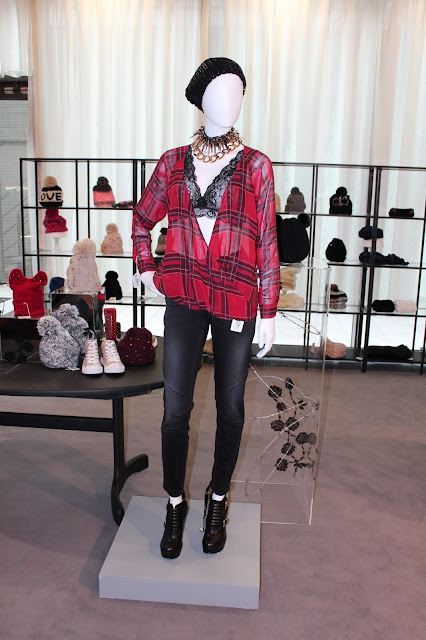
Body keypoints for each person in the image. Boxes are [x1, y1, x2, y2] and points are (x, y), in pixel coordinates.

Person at [132, 57, 280, 559]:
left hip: (236, 300)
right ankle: (175, 503)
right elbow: (142, 219)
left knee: (230, 408)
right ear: (201, 98)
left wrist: (269, 309)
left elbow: (267, 241)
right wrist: (146, 267)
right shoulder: (173, 162)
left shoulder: (256, 165)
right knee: (174, 410)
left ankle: (217, 500)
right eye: (221, 89)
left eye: (239, 90)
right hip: (184, 298)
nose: (232, 99)